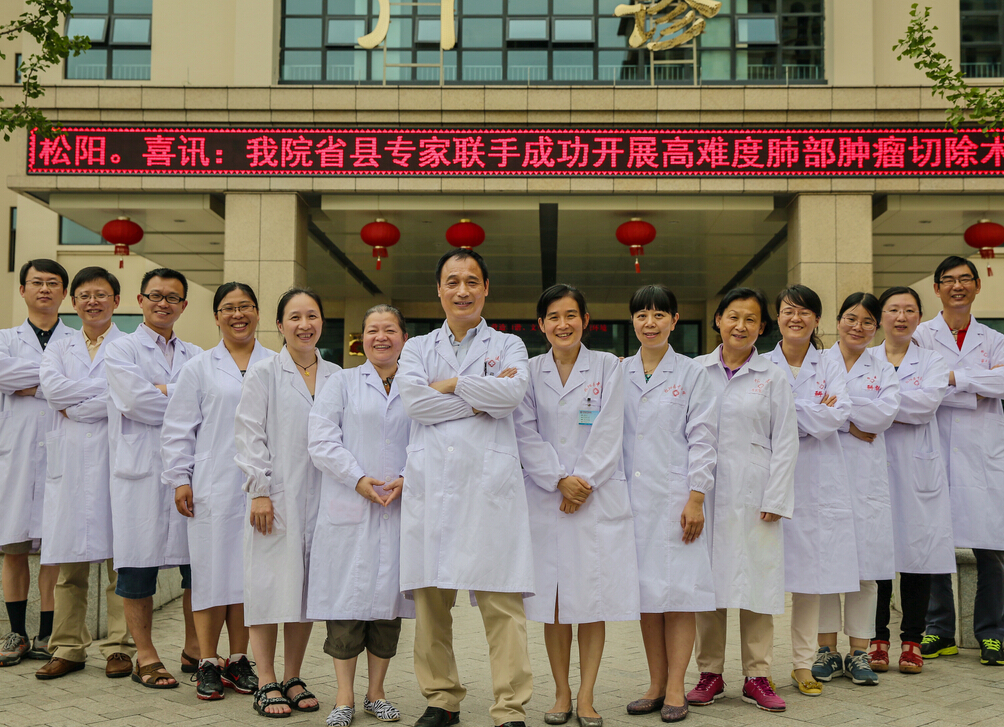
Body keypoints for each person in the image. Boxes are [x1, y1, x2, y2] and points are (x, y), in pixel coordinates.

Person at [396, 248, 534, 727]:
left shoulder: (510, 344)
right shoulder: (416, 347)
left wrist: (446, 386)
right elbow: (414, 404)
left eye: (472, 281)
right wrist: (477, 393)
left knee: (503, 605)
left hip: (488, 488)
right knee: (432, 605)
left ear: (486, 288)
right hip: (432, 486)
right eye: (452, 281)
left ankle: (510, 707)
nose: (462, 290)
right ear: (439, 289)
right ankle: (442, 699)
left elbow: (511, 394)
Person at [514, 284, 639, 727]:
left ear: (585, 320)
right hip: (548, 498)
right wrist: (558, 480)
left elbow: (610, 429)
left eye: (571, 315)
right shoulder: (529, 372)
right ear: (541, 324)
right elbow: (524, 431)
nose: (562, 324)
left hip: (593, 498)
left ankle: (586, 696)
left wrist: (580, 482)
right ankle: (561, 693)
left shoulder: (608, 366)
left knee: (591, 599)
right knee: (554, 602)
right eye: (553, 317)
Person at [689, 288, 798, 714]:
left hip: (756, 494)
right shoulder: (696, 371)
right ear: (718, 319)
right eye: (733, 316)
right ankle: (710, 673)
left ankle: (757, 675)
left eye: (750, 319)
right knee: (707, 584)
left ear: (761, 327)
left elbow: (786, 440)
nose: (740, 326)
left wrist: (777, 496)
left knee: (757, 584)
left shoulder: (773, 376)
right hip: (706, 492)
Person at [161, 282, 272, 700]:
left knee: (248, 574)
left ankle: (240, 659)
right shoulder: (199, 368)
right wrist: (180, 478)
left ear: (258, 312)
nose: (237, 314)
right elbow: (178, 428)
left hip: (261, 487)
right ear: (216, 317)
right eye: (228, 308)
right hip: (211, 484)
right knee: (209, 573)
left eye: (245, 306)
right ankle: (207, 661)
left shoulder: (275, 364)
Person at [307, 304, 414, 727]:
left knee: (388, 608)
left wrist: (408, 476)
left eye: (390, 330)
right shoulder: (342, 383)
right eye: (372, 330)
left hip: (399, 505)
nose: (380, 337)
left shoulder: (416, 384)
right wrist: (357, 479)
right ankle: (344, 698)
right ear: (361, 339)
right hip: (351, 504)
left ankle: (376, 693)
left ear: (404, 338)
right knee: (346, 604)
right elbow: (321, 440)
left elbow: (430, 438)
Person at [235, 288, 337, 718]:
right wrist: (259, 490)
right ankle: (265, 679)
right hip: (275, 497)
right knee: (266, 586)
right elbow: (249, 434)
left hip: (324, 498)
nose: (304, 325)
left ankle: (293, 676)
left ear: (321, 322)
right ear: (279, 325)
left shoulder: (337, 375)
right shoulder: (264, 373)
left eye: (312, 315)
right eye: (294, 317)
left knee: (304, 589)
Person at [619, 285, 716, 724]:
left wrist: (696, 496)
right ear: (633, 321)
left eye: (659, 314)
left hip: (678, 500)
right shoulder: (619, 371)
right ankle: (655, 684)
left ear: (675, 321)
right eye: (642, 314)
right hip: (631, 502)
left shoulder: (692, 373)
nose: (650, 322)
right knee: (647, 597)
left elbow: (703, 438)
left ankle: (677, 686)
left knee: (678, 595)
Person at [105, 268, 202, 688]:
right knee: (137, 569)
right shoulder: (120, 349)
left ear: (184, 305)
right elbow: (134, 401)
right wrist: (180, 396)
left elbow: (207, 405)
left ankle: (195, 649)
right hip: (139, 473)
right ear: (140, 300)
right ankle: (145, 655)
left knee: (197, 567)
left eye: (173, 297)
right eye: (156, 296)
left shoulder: (197, 354)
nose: (164, 303)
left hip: (189, 471)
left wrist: (162, 389)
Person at [34, 267, 134, 680]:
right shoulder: (59, 347)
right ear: (73, 302)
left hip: (115, 461)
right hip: (71, 465)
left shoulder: (130, 347)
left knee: (120, 565)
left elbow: (126, 396)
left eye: (102, 294)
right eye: (85, 295)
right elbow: (52, 390)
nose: (93, 302)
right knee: (68, 567)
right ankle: (68, 647)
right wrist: (104, 394)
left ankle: (119, 648)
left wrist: (78, 404)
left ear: (116, 301)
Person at [767, 284, 858, 697]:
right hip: (771, 478)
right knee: (765, 578)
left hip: (818, 480)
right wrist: (813, 410)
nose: (796, 318)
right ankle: (758, 666)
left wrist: (787, 410)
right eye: (789, 310)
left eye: (805, 312)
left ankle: (803, 663)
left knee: (808, 579)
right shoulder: (761, 363)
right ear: (778, 317)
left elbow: (836, 417)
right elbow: (762, 420)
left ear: (817, 320)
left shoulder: (831, 363)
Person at [914, 256, 1004, 667]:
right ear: (936, 289)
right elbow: (919, 386)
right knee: (936, 542)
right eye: (948, 280)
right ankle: (939, 630)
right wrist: (978, 386)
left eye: (965, 279)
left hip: (983, 455)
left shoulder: (993, 338)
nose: (957, 286)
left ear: (977, 286)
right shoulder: (921, 335)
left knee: (991, 548)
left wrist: (953, 378)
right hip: (934, 446)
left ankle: (992, 633)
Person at [812, 293, 900, 687]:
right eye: (851, 318)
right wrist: (851, 421)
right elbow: (807, 408)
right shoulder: (818, 362)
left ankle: (860, 652)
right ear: (838, 320)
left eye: (867, 321)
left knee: (866, 569)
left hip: (866, 478)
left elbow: (885, 414)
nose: (858, 327)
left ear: (876, 327)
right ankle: (827, 651)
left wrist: (836, 411)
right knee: (826, 565)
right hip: (822, 472)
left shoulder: (883, 368)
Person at [869, 287, 954, 674]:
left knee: (918, 555)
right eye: (893, 310)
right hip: (874, 465)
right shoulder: (866, 359)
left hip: (918, 467)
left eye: (909, 310)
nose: (901, 317)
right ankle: (877, 639)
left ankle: (912, 641)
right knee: (878, 555)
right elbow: (852, 403)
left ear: (919, 317)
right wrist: (894, 400)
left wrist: (879, 403)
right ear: (880, 317)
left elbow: (925, 407)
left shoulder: (932, 360)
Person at [0, 259, 74, 667]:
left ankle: (48, 634)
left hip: (64, 454)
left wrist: (29, 386)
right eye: (36, 282)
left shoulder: (76, 341)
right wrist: (55, 381)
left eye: (53, 283)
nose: (44, 289)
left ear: (64, 292)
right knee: (13, 547)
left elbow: (85, 386)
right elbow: (3, 374)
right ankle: (16, 633)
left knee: (54, 549)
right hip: (17, 457)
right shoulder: (4, 339)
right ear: (23, 290)